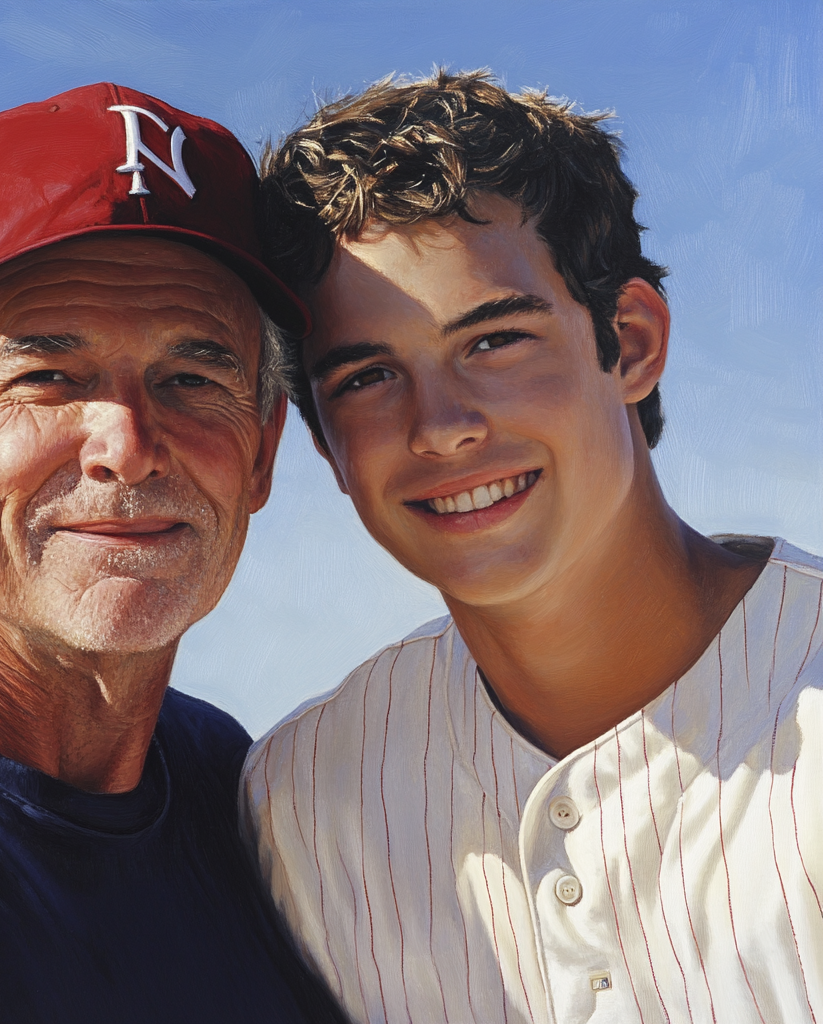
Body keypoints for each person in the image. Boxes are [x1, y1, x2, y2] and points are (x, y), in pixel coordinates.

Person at [242, 70, 823, 1024]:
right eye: (367, 376)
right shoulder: (304, 800)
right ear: (326, 446)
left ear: (629, 343)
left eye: (494, 342)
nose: (440, 426)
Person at [0, 83, 349, 1024]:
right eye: (47, 376)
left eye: (191, 376)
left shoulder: (259, 805)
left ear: (260, 452)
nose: (126, 442)